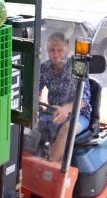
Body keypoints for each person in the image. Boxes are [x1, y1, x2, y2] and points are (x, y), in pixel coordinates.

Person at [38, 32, 92, 163]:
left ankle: (48, 166)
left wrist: (64, 109)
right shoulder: (45, 67)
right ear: (47, 49)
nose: (55, 54)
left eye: (59, 50)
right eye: (52, 50)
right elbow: (36, 91)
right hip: (53, 112)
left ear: (67, 50)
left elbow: (83, 101)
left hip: (78, 114)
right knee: (30, 126)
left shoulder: (77, 66)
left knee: (67, 128)